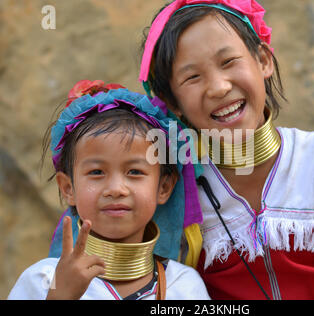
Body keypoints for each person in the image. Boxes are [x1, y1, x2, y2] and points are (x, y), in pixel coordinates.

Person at [138, 0, 314, 300]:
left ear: (263, 61)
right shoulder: (179, 190)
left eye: (228, 61)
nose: (218, 87)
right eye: (192, 77)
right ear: (174, 103)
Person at [8, 80, 210, 300]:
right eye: (96, 172)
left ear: (164, 187)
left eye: (134, 172)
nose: (115, 189)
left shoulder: (182, 287)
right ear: (68, 188)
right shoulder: (45, 280)